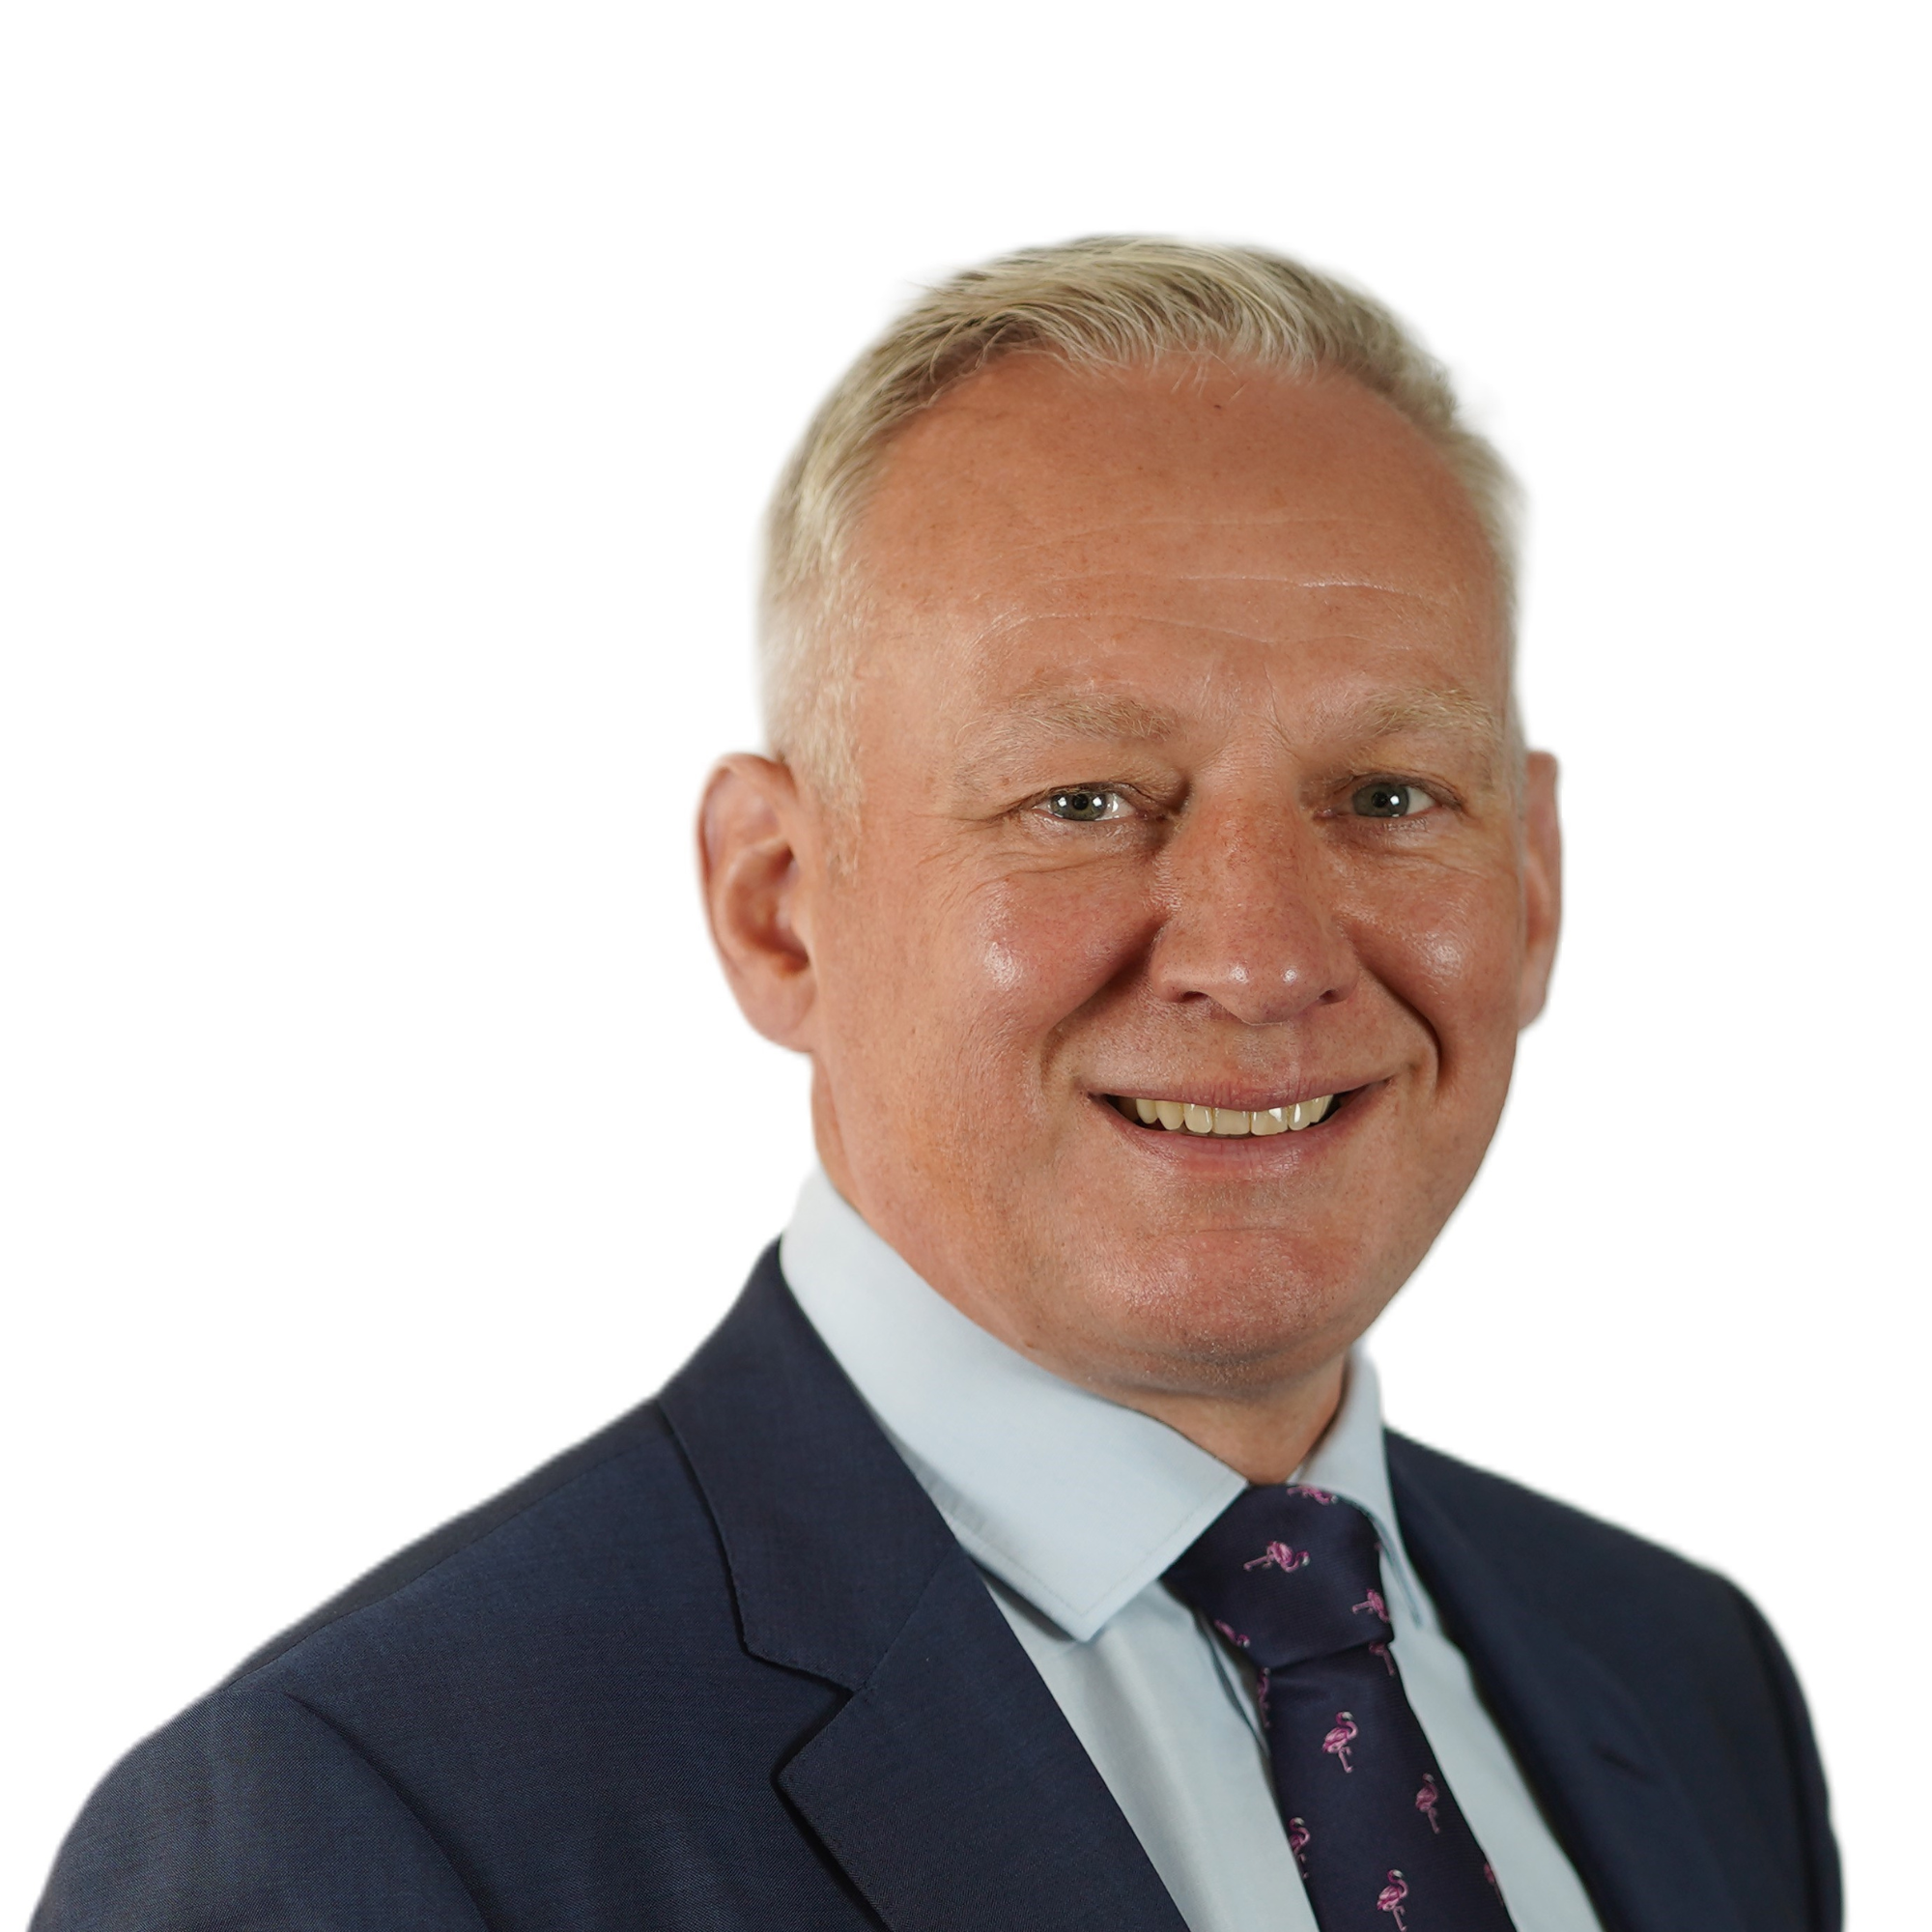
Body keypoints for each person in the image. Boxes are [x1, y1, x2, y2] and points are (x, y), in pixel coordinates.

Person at [34, 239, 1838, 1932]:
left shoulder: (1691, 1685)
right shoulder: (351, 1824)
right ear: (778, 909)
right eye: (1083, 801)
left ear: (1532, 886)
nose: (1262, 956)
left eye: (1387, 797)